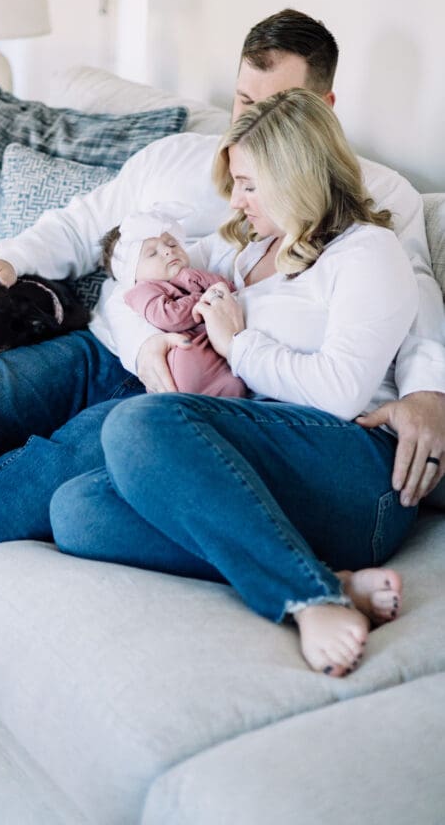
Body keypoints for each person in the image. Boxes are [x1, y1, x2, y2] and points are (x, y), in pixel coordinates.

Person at [0, 10, 443, 696]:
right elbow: (98, 234)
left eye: (273, 112)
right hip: (118, 349)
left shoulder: (373, 213)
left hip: (206, 401)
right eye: (243, 103)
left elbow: (404, 308)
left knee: (55, 472)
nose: (250, 128)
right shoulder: (223, 208)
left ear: (314, 117)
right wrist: (22, 262)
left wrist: (428, 391)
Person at [51, 88, 420, 677]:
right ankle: (326, 577)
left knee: (144, 420)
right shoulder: (245, 251)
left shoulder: (368, 252)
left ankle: (307, 598)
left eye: (249, 183)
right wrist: (152, 342)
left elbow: (340, 392)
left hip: (354, 470)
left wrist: (237, 345)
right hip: (263, 465)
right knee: (77, 510)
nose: (236, 199)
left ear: (294, 175)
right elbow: (132, 284)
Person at [100, 204, 246, 398]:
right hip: (181, 356)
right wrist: (204, 298)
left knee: (228, 381)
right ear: (131, 274)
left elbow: (227, 288)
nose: (168, 251)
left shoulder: (190, 271)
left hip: (210, 347)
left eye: (172, 244)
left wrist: (199, 279)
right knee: (188, 358)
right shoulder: (142, 291)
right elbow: (169, 316)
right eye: (152, 253)